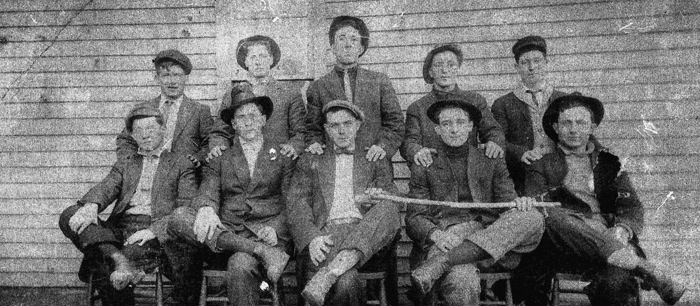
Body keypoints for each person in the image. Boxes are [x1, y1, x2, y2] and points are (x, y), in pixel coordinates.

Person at [521, 92, 685, 306]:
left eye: (581, 122)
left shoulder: (610, 163)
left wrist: (622, 229)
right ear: (555, 127)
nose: (573, 128)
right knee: (551, 214)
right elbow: (537, 208)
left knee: (618, 278)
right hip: (565, 247)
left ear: (593, 125)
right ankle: (645, 268)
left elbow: (633, 207)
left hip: (611, 246)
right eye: (566, 122)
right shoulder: (540, 164)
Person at [405, 99, 544, 306]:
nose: (454, 129)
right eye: (446, 124)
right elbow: (414, 217)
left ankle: (444, 262)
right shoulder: (425, 163)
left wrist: (519, 202)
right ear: (437, 129)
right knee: (463, 278)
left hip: (489, 241)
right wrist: (434, 236)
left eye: (460, 123)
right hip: (447, 239)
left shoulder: (490, 158)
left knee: (532, 218)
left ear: (471, 127)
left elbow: (507, 204)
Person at [167, 89, 294, 306]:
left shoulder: (282, 155)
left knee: (240, 265)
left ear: (264, 120)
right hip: (227, 237)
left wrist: (276, 231)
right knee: (180, 218)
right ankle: (262, 253)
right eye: (240, 117)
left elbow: (294, 202)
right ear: (233, 125)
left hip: (268, 237)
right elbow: (207, 189)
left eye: (253, 115)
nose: (247, 122)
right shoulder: (221, 158)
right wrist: (208, 206)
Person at [58, 103, 199, 306]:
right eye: (138, 130)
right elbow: (106, 187)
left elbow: (187, 207)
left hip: (155, 231)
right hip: (121, 227)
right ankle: (117, 256)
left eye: (151, 128)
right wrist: (92, 206)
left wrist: (154, 230)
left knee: (102, 260)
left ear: (163, 129)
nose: (145, 134)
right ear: (132, 136)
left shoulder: (181, 163)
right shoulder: (126, 163)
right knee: (70, 213)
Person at [287, 100, 401, 306]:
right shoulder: (311, 160)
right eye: (334, 125)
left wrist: (372, 199)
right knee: (347, 283)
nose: (341, 130)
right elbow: (296, 203)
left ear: (359, 126)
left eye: (347, 124)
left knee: (390, 206)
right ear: (325, 129)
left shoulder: (375, 158)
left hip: (365, 239)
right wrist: (310, 238)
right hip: (325, 238)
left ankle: (333, 270)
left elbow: (387, 207)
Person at [305, 15, 404, 162]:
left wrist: (382, 146)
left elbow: (395, 123)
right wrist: (315, 143)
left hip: (372, 161)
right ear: (332, 47)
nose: (348, 45)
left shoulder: (379, 81)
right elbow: (313, 129)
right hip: (334, 164)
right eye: (342, 38)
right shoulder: (318, 87)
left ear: (361, 48)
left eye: (354, 39)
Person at [401, 44, 505, 167]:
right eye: (438, 65)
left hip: (469, 171)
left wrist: (493, 142)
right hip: (433, 171)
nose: (445, 70)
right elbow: (409, 142)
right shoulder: (418, 107)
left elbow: (492, 130)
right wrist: (416, 151)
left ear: (458, 69)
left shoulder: (475, 101)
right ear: (431, 72)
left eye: (451, 65)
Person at [207, 35, 306, 160]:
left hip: (279, 159)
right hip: (243, 161)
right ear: (246, 62)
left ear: (271, 60)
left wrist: (294, 146)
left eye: (263, 56)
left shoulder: (290, 93)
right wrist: (219, 146)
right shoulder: (233, 93)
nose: (258, 62)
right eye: (253, 57)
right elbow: (220, 132)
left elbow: (300, 131)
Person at [492, 35, 567, 195]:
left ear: (546, 63)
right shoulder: (503, 104)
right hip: (524, 176)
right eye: (525, 62)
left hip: (563, 173)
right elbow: (497, 141)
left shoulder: (563, 100)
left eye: (537, 61)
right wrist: (521, 153)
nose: (531, 67)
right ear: (516, 67)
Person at [115, 49, 213, 166]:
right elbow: (126, 140)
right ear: (157, 78)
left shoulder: (199, 111)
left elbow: (209, 143)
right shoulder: (143, 108)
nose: (172, 81)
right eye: (166, 75)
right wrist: (132, 164)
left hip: (185, 174)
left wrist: (196, 158)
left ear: (186, 78)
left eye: (177, 75)